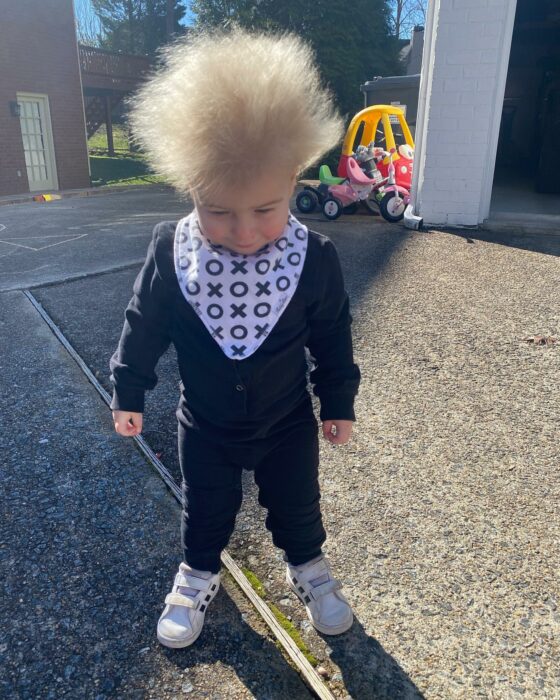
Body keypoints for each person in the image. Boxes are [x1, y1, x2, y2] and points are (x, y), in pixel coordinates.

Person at [110, 28, 360, 649]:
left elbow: (332, 335)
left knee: (298, 504)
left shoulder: (312, 258)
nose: (245, 232)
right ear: (187, 183)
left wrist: (339, 400)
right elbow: (144, 322)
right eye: (219, 211)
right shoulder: (174, 252)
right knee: (207, 509)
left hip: (287, 421)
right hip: (207, 424)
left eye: (266, 208)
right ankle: (196, 574)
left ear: (297, 176)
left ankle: (309, 568)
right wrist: (129, 388)